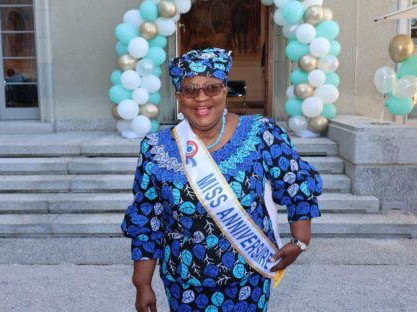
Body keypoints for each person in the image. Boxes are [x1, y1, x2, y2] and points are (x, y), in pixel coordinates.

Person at [121, 48, 322, 312]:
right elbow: (148, 218)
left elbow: (296, 184)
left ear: (225, 90)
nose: (201, 98)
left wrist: (299, 241)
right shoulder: (156, 148)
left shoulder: (261, 134)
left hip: (247, 279)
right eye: (190, 89)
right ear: (178, 96)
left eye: (211, 88)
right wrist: (142, 283)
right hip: (184, 285)